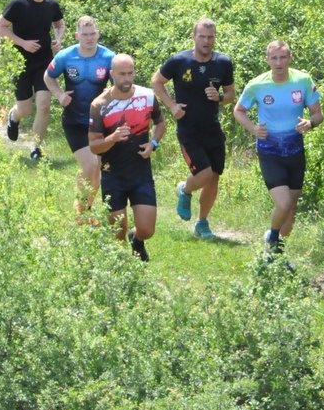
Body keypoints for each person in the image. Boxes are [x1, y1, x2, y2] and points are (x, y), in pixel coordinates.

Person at [233, 40, 323, 254]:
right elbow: (238, 111)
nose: (279, 62)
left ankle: (276, 256)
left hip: (295, 152)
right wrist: (254, 129)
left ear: (290, 58)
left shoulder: (303, 80)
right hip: (269, 152)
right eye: (274, 58)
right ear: (267, 60)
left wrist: (309, 123)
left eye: (283, 57)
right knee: (283, 204)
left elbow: (318, 114)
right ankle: (272, 238)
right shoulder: (257, 85)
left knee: (290, 211)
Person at [151, 18, 236, 239]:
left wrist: (220, 97)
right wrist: (172, 106)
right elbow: (156, 82)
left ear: (214, 38)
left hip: (213, 129)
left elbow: (231, 94)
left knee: (214, 177)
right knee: (204, 175)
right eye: (202, 36)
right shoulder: (179, 61)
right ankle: (185, 189)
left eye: (210, 37)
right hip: (188, 130)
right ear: (194, 36)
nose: (206, 41)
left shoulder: (223, 62)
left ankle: (202, 223)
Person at [89, 53, 165, 262]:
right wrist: (112, 138)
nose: (127, 78)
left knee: (147, 229)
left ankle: (137, 240)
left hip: (141, 172)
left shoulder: (147, 96)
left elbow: (160, 123)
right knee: (117, 233)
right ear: (112, 74)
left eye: (130, 73)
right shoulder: (99, 105)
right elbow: (94, 146)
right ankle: (121, 265)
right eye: (122, 74)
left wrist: (153, 143)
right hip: (113, 174)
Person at [44, 15, 115, 214]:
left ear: (98, 34)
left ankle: (84, 209)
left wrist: (110, 94)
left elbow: (120, 84)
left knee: (96, 171)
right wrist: (59, 95)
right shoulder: (65, 56)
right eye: (85, 34)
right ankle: (81, 213)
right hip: (74, 120)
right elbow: (48, 77)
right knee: (91, 166)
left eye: (92, 34)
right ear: (77, 35)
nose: (89, 38)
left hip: (98, 122)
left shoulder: (109, 57)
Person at [0, 0, 64, 160]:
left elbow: (59, 24)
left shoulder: (51, 5)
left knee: (44, 105)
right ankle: (14, 116)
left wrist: (58, 39)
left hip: (44, 61)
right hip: (21, 61)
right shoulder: (18, 4)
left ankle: (36, 148)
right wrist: (23, 43)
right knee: (25, 109)